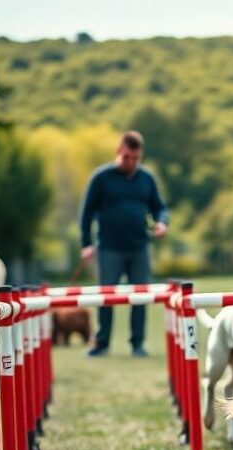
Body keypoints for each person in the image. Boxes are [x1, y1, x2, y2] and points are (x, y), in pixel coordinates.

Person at [80, 131, 168, 357]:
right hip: (109, 248)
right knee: (105, 296)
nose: (131, 162)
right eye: (127, 157)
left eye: (136, 158)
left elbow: (159, 206)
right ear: (119, 151)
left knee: (140, 296)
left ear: (140, 156)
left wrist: (161, 222)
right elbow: (87, 212)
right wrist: (86, 243)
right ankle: (102, 343)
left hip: (139, 248)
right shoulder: (101, 177)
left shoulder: (146, 178)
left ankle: (137, 344)